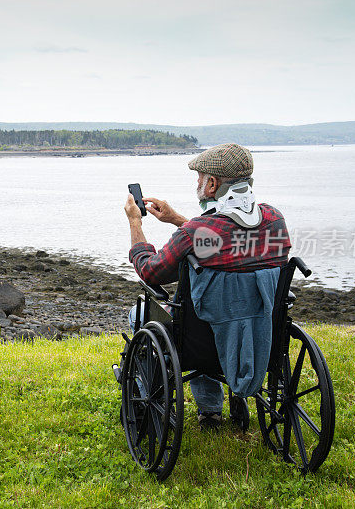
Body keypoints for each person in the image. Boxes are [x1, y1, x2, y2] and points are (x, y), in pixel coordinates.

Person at [123, 143, 291, 429]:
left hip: (201, 339)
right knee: (212, 312)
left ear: (212, 184)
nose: (197, 183)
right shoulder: (275, 220)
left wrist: (135, 223)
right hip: (261, 328)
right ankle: (213, 408)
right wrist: (176, 219)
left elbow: (151, 272)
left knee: (141, 316)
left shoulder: (196, 233)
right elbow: (226, 239)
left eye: (199, 178)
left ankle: (205, 408)